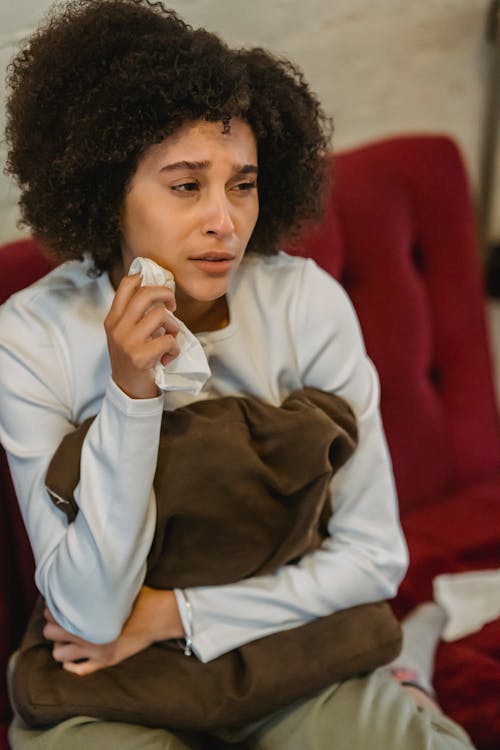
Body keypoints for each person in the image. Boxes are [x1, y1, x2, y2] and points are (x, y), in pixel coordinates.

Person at [0, 1, 475, 748]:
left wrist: (177, 615)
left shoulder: (304, 303)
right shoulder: (33, 334)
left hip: (294, 649)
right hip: (109, 675)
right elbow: (89, 614)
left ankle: (405, 679)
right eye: (186, 185)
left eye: (242, 184)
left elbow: (375, 557)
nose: (224, 220)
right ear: (105, 190)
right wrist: (130, 394)